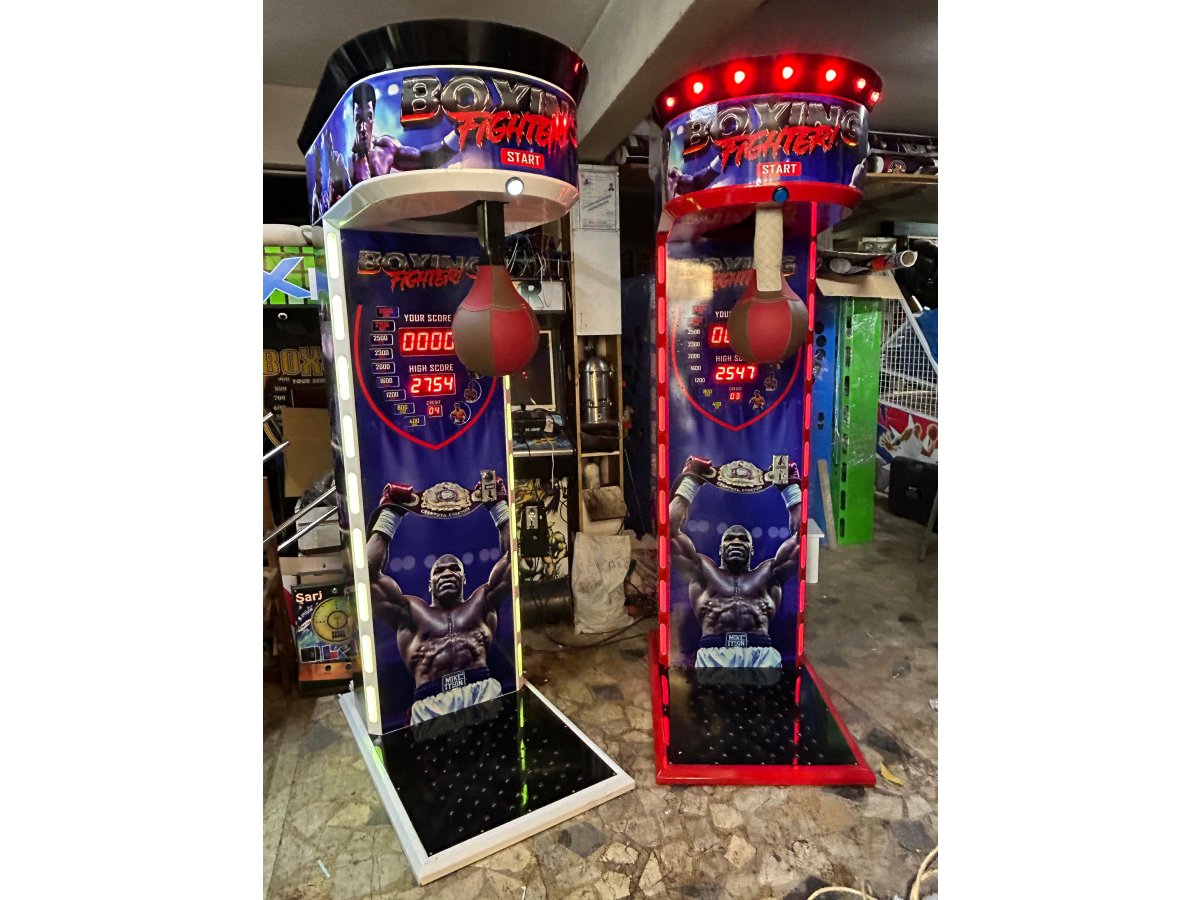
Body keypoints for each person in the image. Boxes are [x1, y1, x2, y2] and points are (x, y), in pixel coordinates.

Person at [366, 478, 511, 723]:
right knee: (434, 751)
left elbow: (515, 557)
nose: (447, 573)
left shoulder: (482, 602)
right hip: (430, 701)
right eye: (439, 571)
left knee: (498, 746)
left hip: (482, 690)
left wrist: (499, 507)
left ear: (464, 579)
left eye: (454, 569)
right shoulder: (410, 612)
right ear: (430, 584)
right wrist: (390, 513)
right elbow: (367, 576)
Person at [669, 455, 803, 671]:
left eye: (743, 539)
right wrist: (690, 481)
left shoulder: (769, 573)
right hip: (713, 654)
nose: (737, 542)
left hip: (761, 654)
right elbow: (669, 531)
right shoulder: (702, 571)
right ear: (720, 549)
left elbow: (802, 537)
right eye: (730, 538)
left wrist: (790, 489)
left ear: (752, 550)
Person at [350, 82, 459, 185]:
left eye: (368, 117)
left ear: (373, 116)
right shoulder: (346, 158)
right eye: (359, 118)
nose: (363, 127)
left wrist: (457, 134)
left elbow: (423, 159)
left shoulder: (385, 147)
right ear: (353, 118)